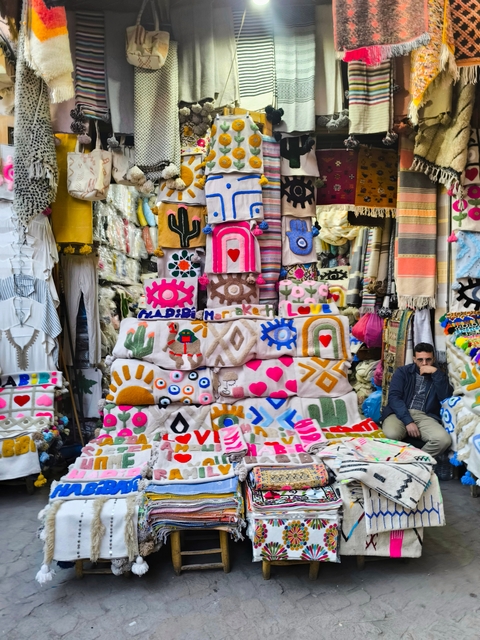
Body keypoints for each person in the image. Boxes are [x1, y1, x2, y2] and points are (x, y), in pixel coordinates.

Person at [381, 343, 453, 457]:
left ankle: (414, 460)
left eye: (428, 359)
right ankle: (396, 461)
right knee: (391, 434)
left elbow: (445, 398)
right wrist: (408, 421)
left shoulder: (439, 375)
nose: (424, 363)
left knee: (443, 440)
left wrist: (435, 374)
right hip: (399, 412)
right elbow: (394, 397)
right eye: (420, 360)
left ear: (433, 359)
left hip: (425, 415)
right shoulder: (403, 372)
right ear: (414, 359)